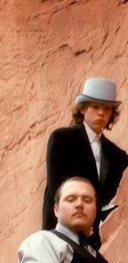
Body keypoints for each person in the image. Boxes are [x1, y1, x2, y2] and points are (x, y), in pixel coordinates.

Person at [42, 77, 128, 248]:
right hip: (60, 234)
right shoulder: (62, 139)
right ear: (82, 108)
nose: (101, 113)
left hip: (97, 241)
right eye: (95, 107)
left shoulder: (118, 156)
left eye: (107, 108)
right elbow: (57, 187)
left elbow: (113, 198)